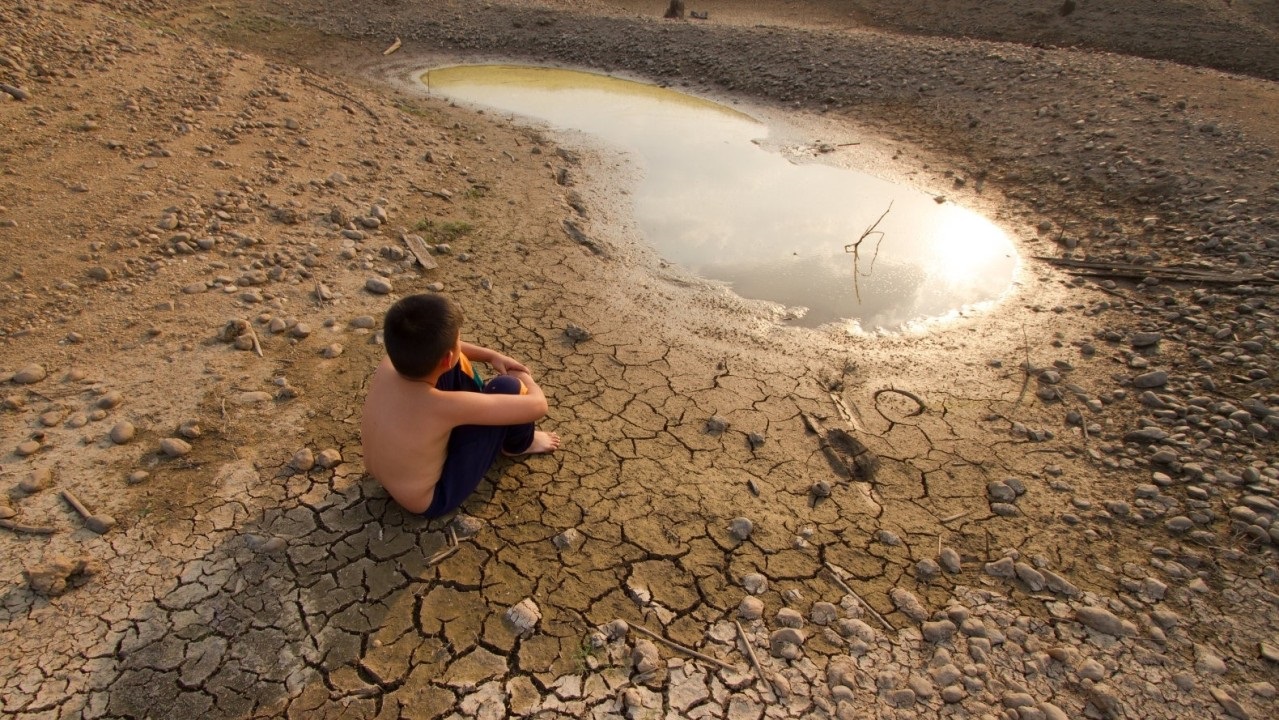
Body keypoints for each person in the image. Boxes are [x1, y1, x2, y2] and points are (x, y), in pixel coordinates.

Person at [361, 293, 560, 517]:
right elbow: (538, 405)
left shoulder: (389, 364)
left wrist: (491, 356)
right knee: (508, 386)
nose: (460, 344)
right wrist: (524, 377)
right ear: (447, 356)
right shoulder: (444, 407)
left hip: (387, 476)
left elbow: (446, 351)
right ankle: (519, 444)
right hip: (432, 498)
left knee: (450, 362)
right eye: (458, 340)